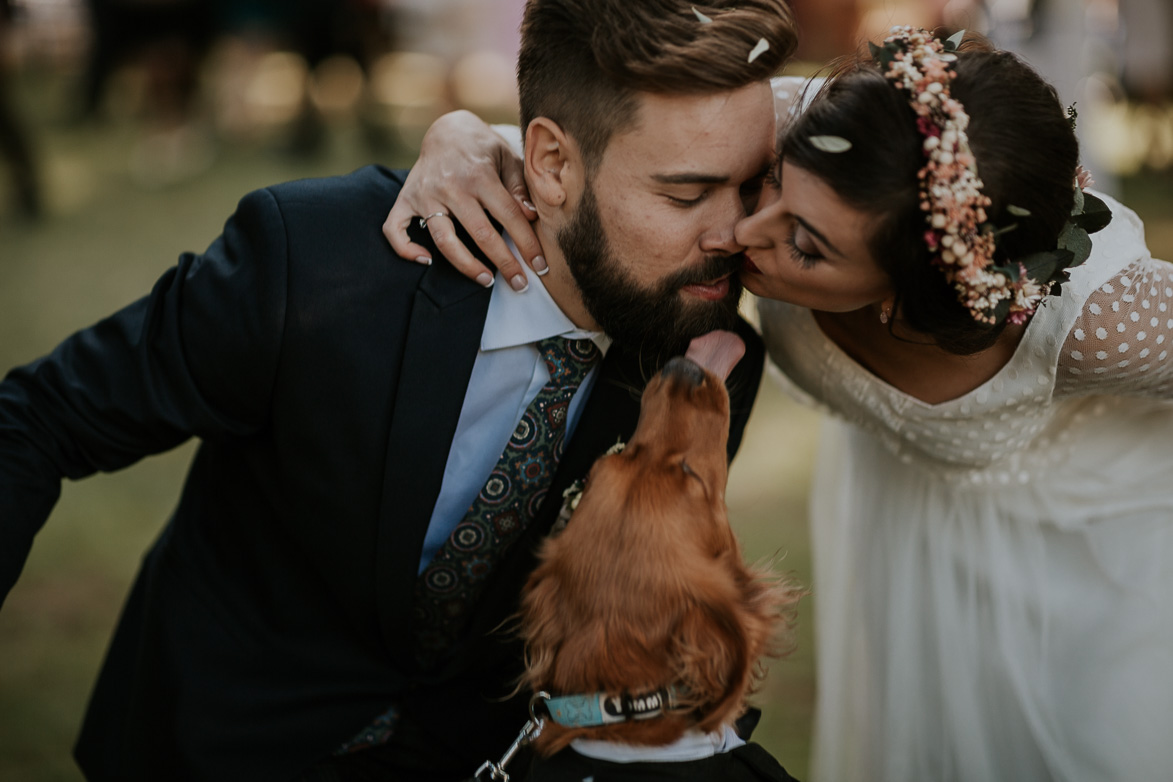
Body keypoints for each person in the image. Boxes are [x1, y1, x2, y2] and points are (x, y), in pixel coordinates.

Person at [0, 1, 798, 779]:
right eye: (686, 195)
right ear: (552, 163)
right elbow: (40, 418)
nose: (733, 233)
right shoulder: (313, 262)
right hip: (220, 741)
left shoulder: (707, 363)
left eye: (753, 185)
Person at [390, 26, 1173, 781]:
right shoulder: (817, 134)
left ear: (898, 304)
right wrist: (460, 137)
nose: (738, 230)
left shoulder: (1099, 324)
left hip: (1097, 546)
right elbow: (602, 143)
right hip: (900, 524)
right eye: (768, 184)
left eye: (804, 244)